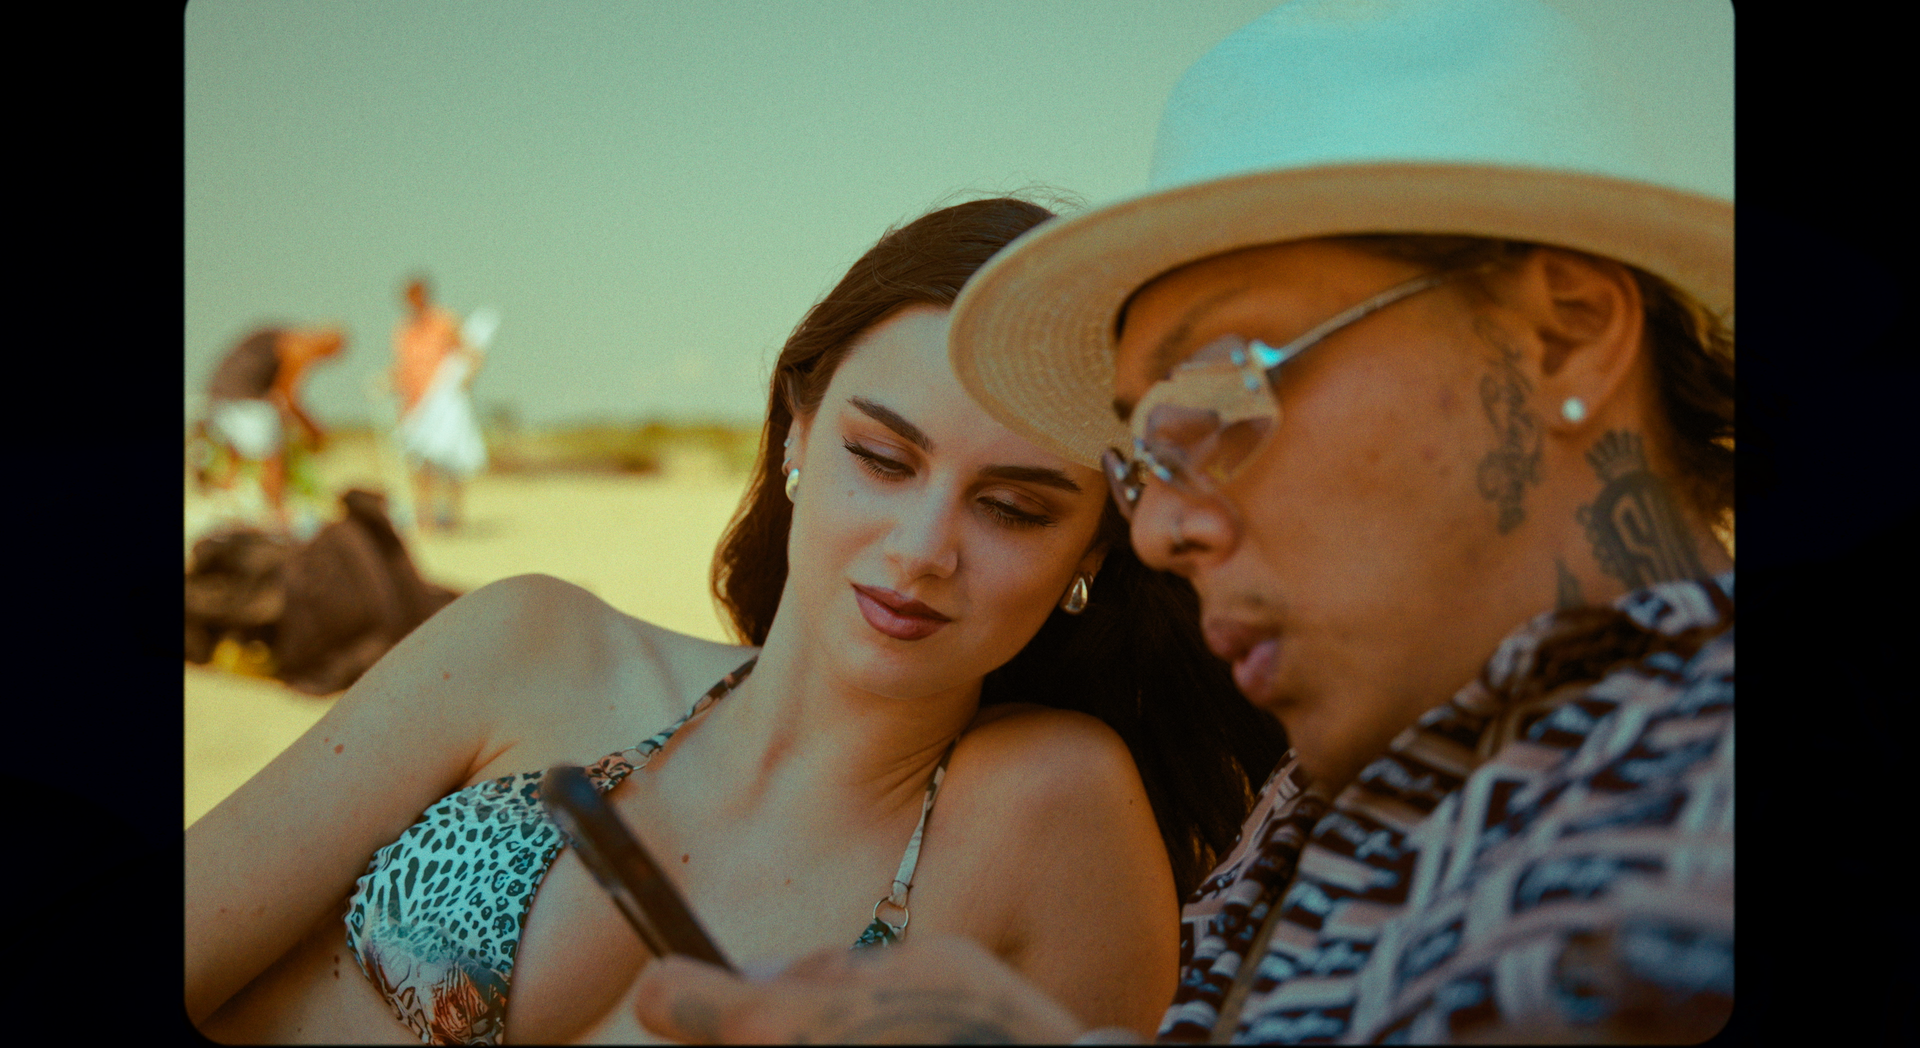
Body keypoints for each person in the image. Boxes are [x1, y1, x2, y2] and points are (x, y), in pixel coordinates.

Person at [630, 0, 1734, 1044]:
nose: (1158, 531)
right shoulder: (1363, 783)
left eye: (1218, 399)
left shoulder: (1694, 836)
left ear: (1566, 332)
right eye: (1145, 452)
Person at [185, 197, 1287, 1044]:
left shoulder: (1051, 810)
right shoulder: (530, 649)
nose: (920, 548)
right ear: (799, 433)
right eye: (882, 457)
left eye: (1012, 508)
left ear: (1093, 547)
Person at [199, 322, 347, 527]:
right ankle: (277, 516)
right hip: (244, 399)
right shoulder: (300, 349)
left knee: (236, 456)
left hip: (217, 394)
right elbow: (286, 396)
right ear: (325, 345)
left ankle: (224, 504)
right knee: (273, 458)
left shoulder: (281, 335)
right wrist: (312, 428)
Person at [391, 276, 493, 530]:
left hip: (443, 404)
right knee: (419, 464)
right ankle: (425, 518)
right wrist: (388, 383)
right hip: (414, 406)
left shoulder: (444, 320)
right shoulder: (403, 330)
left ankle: (454, 518)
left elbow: (473, 353)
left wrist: (467, 379)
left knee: (451, 461)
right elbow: (402, 369)